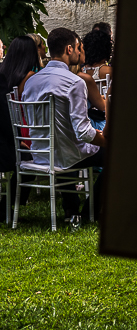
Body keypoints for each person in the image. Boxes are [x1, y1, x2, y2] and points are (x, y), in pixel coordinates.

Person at [21, 28, 107, 224]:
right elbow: (84, 132)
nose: (79, 52)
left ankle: (70, 209)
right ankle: (89, 213)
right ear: (69, 49)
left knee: (66, 145)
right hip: (64, 155)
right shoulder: (74, 82)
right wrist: (105, 140)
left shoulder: (31, 82)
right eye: (79, 47)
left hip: (39, 153)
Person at [0, 36, 42, 220]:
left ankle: (11, 205)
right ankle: (10, 205)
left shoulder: (3, 72)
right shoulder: (31, 77)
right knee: (30, 162)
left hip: (9, 130)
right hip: (22, 128)